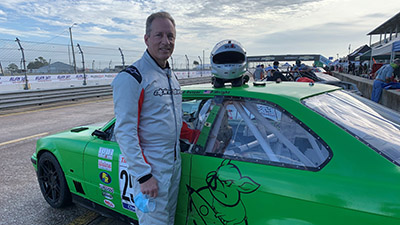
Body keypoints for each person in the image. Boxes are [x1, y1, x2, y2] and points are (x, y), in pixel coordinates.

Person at [111, 11, 198, 225]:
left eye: (171, 36)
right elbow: (124, 131)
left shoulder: (170, 76)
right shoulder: (133, 77)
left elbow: (173, 120)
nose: (166, 42)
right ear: (146, 38)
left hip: (174, 163)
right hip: (151, 170)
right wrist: (143, 175)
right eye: (159, 35)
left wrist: (198, 134)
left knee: (168, 220)